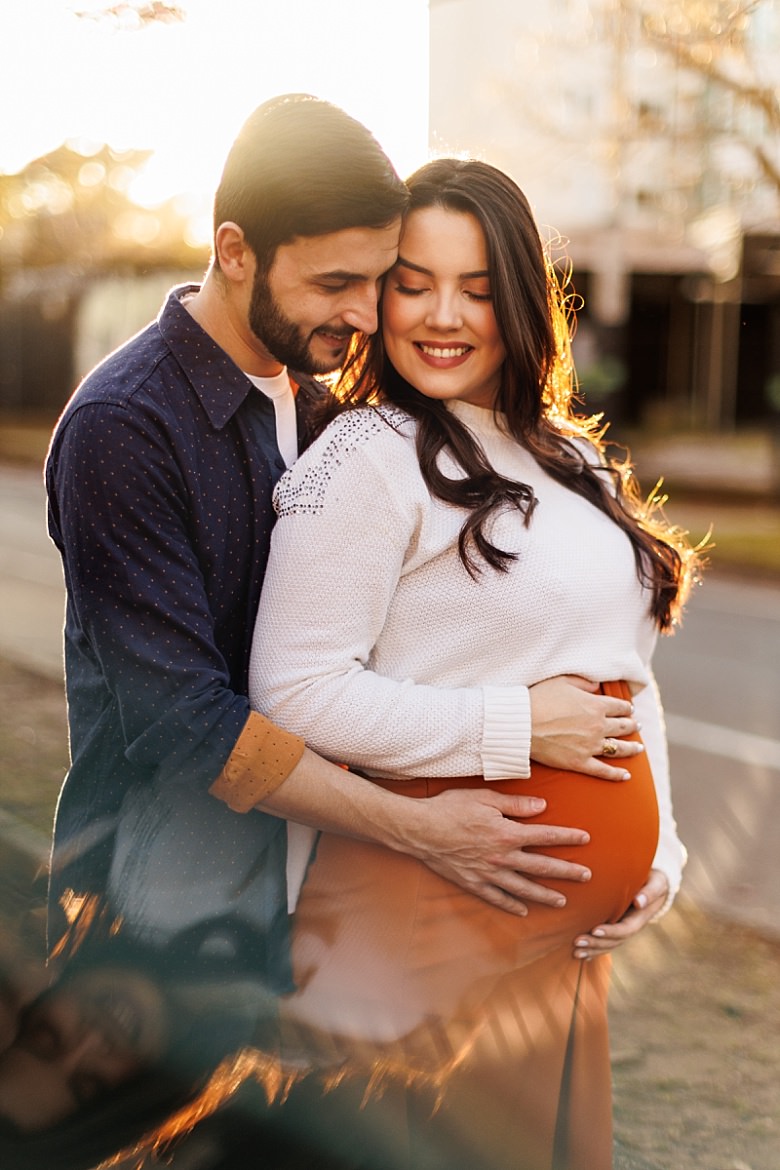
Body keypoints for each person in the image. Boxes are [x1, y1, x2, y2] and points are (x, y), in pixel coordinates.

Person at [45, 93, 639, 991]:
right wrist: (422, 827)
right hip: (164, 877)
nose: (367, 315)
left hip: (312, 867)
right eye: (334, 285)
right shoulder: (125, 427)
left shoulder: (325, 404)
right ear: (235, 251)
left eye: (377, 280)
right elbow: (183, 723)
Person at [249, 158, 699, 1169]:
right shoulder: (363, 457)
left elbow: (627, 674)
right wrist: (515, 727)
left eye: (479, 288)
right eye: (414, 282)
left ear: (524, 303)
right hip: (425, 904)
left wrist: (658, 852)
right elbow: (295, 690)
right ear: (378, 290)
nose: (442, 315)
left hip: (561, 942)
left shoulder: (568, 460)